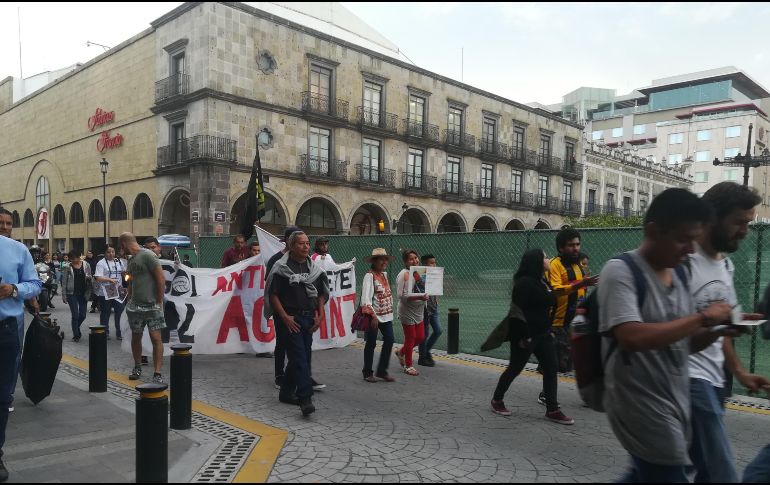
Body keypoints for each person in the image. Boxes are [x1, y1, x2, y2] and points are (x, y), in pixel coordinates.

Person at [598, 188, 733, 483]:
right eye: (683, 239)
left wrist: (719, 328)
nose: (690, 250)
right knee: (668, 473)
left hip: (674, 399)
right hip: (640, 405)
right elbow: (631, 337)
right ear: (653, 231)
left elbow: (686, 343)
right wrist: (701, 317)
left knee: (645, 475)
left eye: (694, 240)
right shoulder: (620, 271)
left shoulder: (681, 273)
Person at [687, 183, 770, 483]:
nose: (745, 230)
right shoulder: (683, 260)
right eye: (739, 222)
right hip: (688, 377)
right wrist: (712, 321)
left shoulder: (727, 266)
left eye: (748, 223)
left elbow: (724, 331)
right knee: (720, 467)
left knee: (696, 468)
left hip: (716, 380)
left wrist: (741, 373)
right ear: (712, 217)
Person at [490, 249, 575, 425]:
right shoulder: (524, 283)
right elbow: (517, 311)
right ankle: (497, 400)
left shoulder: (542, 280)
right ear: (537, 261)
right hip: (525, 335)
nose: (548, 259)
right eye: (545, 257)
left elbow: (548, 302)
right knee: (515, 368)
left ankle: (552, 409)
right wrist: (523, 336)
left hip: (544, 334)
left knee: (551, 368)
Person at [264, 231, 329, 416]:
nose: (306, 246)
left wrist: (320, 314)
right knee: (300, 356)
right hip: (290, 319)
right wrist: (284, 317)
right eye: (301, 243)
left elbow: (321, 293)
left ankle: (285, 393)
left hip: (308, 317)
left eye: (308, 243)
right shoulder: (281, 267)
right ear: (292, 246)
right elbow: (273, 294)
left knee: (301, 356)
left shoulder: (313, 268)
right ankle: (305, 398)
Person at [0, 222, 41, 482]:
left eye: (7, 224)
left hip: (5, 330)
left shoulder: (17, 250)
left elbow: (35, 284)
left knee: (3, 395)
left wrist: (14, 289)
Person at [121, 233, 167, 384]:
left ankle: (157, 372)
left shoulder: (148, 255)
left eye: (121, 246)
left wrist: (159, 301)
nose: (120, 249)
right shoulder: (131, 260)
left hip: (152, 305)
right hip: (135, 306)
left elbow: (160, 279)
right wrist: (129, 297)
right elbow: (130, 280)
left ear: (124, 244)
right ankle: (137, 366)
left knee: (156, 338)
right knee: (136, 337)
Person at [361, 248, 397, 383]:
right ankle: (367, 372)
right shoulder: (369, 276)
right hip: (373, 316)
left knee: (389, 339)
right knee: (371, 343)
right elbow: (366, 299)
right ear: (374, 261)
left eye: (385, 259)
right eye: (381, 259)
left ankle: (382, 370)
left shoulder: (384, 275)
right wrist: (373, 316)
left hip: (386, 316)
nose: (384, 262)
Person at [394, 250, 428, 376]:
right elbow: (401, 296)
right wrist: (419, 297)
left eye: (416, 257)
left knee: (420, 337)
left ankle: (401, 351)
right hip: (407, 311)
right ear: (405, 261)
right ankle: (408, 366)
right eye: (411, 259)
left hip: (419, 310)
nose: (415, 260)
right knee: (411, 338)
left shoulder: (421, 272)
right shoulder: (404, 274)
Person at [94, 245, 127, 341]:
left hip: (118, 291)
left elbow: (124, 274)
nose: (111, 254)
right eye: (108, 252)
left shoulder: (119, 261)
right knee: (105, 312)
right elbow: (98, 277)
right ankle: (105, 332)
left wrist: (125, 275)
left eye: (112, 251)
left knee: (120, 312)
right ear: (105, 253)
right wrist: (109, 279)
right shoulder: (101, 263)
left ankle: (119, 333)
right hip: (105, 291)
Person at [61, 249, 93, 342]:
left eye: (77, 257)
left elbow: (89, 275)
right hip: (72, 293)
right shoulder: (67, 267)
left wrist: (89, 279)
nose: (75, 260)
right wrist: (64, 295)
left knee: (83, 315)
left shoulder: (86, 264)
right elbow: (64, 282)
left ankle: (76, 327)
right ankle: (76, 334)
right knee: (75, 315)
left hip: (84, 292)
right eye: (73, 258)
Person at [418, 254, 442, 367]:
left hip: (434, 308)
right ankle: (422, 357)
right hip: (424, 309)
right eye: (431, 263)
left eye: (435, 262)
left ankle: (426, 351)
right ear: (424, 265)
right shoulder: (420, 276)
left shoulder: (436, 274)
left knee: (438, 330)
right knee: (424, 334)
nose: (434, 265)